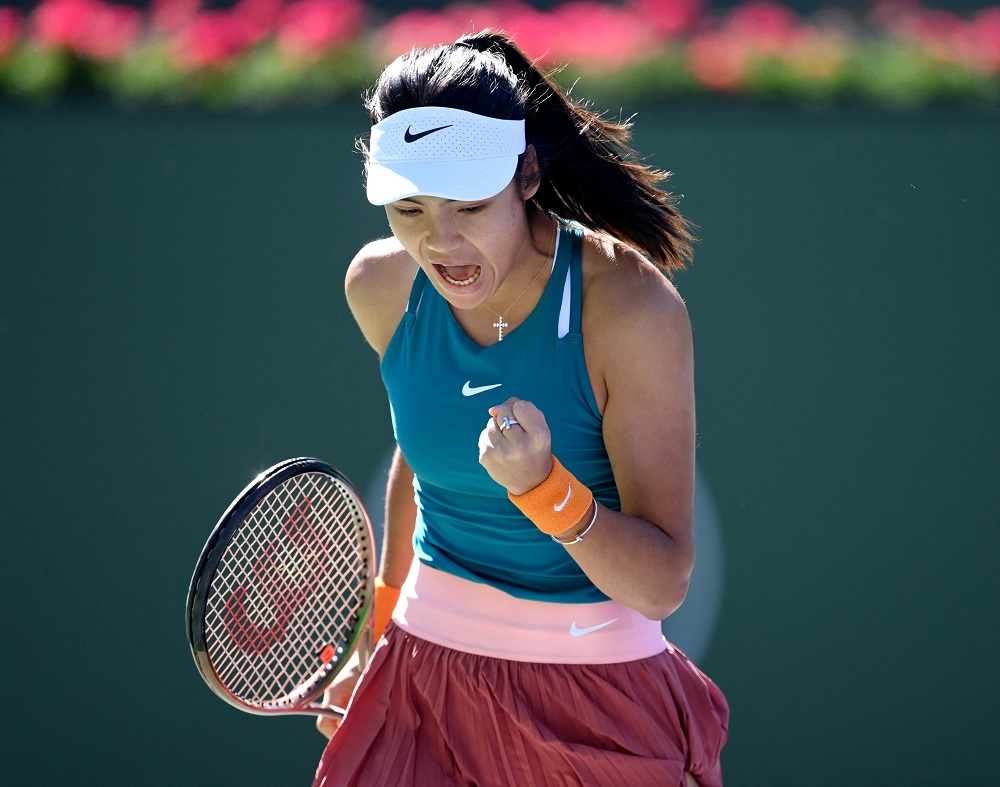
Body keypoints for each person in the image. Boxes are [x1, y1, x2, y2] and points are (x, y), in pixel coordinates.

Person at [313, 29, 729, 787]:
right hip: (419, 687)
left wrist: (546, 489)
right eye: (408, 210)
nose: (442, 242)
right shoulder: (380, 288)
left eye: (469, 205)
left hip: (595, 710)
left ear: (527, 172)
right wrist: (377, 632)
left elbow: (663, 581)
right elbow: (421, 458)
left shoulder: (628, 307)